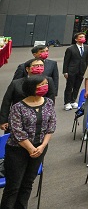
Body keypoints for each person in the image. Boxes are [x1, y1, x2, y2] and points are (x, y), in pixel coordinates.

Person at [0, 75, 56, 209]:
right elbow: (17, 132)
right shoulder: (18, 107)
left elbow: (51, 126)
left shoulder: (48, 102)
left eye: (46, 84)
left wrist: (42, 146)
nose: (45, 87)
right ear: (32, 87)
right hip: (18, 150)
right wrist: (31, 149)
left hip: (40, 148)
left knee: (28, 183)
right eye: (41, 85)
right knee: (13, 186)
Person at [1, 59, 51, 131]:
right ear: (27, 69)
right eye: (36, 65)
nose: (39, 67)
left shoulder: (48, 81)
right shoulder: (16, 83)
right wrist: (3, 120)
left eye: (41, 65)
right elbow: (6, 101)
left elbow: (50, 100)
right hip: (17, 119)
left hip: (38, 120)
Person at [63, 32, 88, 110]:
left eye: (83, 37)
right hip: (71, 70)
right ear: (76, 39)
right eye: (80, 37)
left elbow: (86, 60)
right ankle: (67, 102)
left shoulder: (87, 48)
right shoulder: (70, 49)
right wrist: (65, 71)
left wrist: (87, 70)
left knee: (77, 86)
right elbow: (66, 61)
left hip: (82, 70)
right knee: (69, 87)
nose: (83, 38)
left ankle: (73, 100)